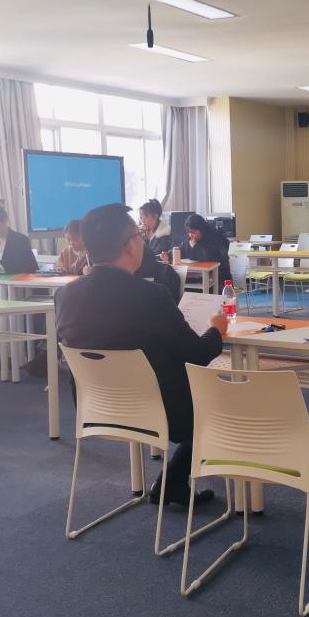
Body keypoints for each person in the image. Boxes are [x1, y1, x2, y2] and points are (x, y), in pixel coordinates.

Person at [55, 203, 227, 506]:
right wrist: (217, 329)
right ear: (130, 246)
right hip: (160, 411)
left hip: (95, 408)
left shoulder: (65, 295)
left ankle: (172, 484)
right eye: (138, 235)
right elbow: (198, 354)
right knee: (219, 398)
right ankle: (176, 481)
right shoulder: (150, 295)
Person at [179, 213, 232, 284]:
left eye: (193, 232)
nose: (190, 235)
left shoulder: (216, 237)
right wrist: (168, 255)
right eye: (189, 232)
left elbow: (212, 257)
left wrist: (195, 247)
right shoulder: (192, 240)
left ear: (201, 229)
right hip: (200, 275)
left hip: (218, 277)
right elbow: (181, 250)